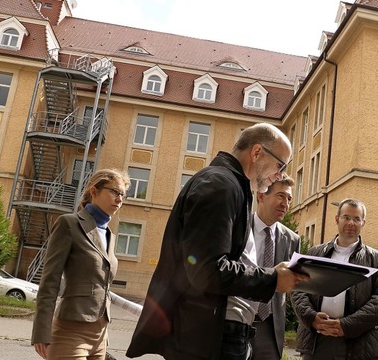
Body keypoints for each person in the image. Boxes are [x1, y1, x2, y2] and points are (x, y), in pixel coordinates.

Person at [126, 123, 308, 360]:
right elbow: (207, 270)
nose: (280, 175)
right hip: (209, 339)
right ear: (256, 152)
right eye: (280, 165)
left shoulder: (230, 184)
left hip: (217, 335)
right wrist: (272, 278)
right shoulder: (221, 186)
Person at [32, 168, 131, 359]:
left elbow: (103, 286)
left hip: (100, 336)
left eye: (123, 195)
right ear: (94, 191)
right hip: (70, 333)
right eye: (114, 192)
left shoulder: (109, 234)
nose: (119, 199)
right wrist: (41, 332)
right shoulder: (69, 224)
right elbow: (49, 282)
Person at [291, 198, 378, 360]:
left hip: (359, 344)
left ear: (363, 223)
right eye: (346, 217)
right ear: (337, 218)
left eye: (356, 219)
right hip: (317, 340)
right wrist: (311, 317)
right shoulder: (314, 254)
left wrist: (346, 325)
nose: (351, 223)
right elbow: (297, 289)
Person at [250, 175, 300, 360]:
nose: (285, 204)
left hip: (270, 328)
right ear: (261, 195)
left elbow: (295, 287)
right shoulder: (239, 228)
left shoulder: (292, 239)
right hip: (238, 321)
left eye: (289, 199)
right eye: (280, 196)